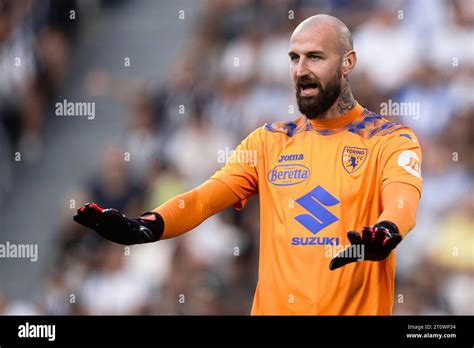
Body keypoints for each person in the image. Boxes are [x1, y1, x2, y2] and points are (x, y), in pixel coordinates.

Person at [73, 14, 422, 315]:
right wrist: (146, 227)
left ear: (348, 62)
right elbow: (203, 199)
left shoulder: (389, 140)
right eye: (294, 58)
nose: (301, 70)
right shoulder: (268, 142)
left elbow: (402, 201)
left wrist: (386, 231)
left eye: (315, 57)